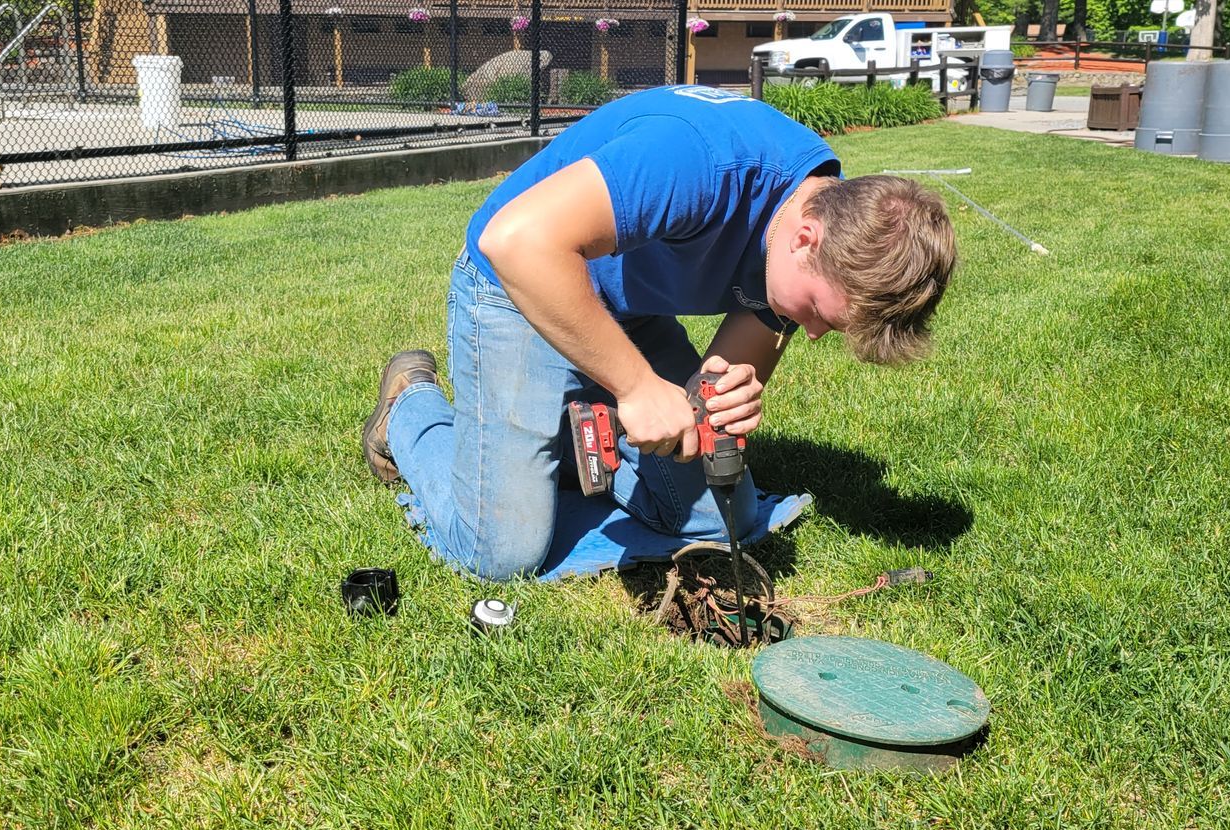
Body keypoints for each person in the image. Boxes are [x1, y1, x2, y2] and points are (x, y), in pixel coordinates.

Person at [361, 84, 956, 581]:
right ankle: (412, 409)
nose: (815, 333)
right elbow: (516, 242)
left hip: (625, 303)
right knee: (500, 552)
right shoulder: (697, 161)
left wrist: (718, 400)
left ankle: (560, 433)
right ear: (807, 239)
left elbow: (707, 391)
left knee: (722, 519)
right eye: (822, 313)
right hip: (520, 289)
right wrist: (639, 387)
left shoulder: (821, 211)